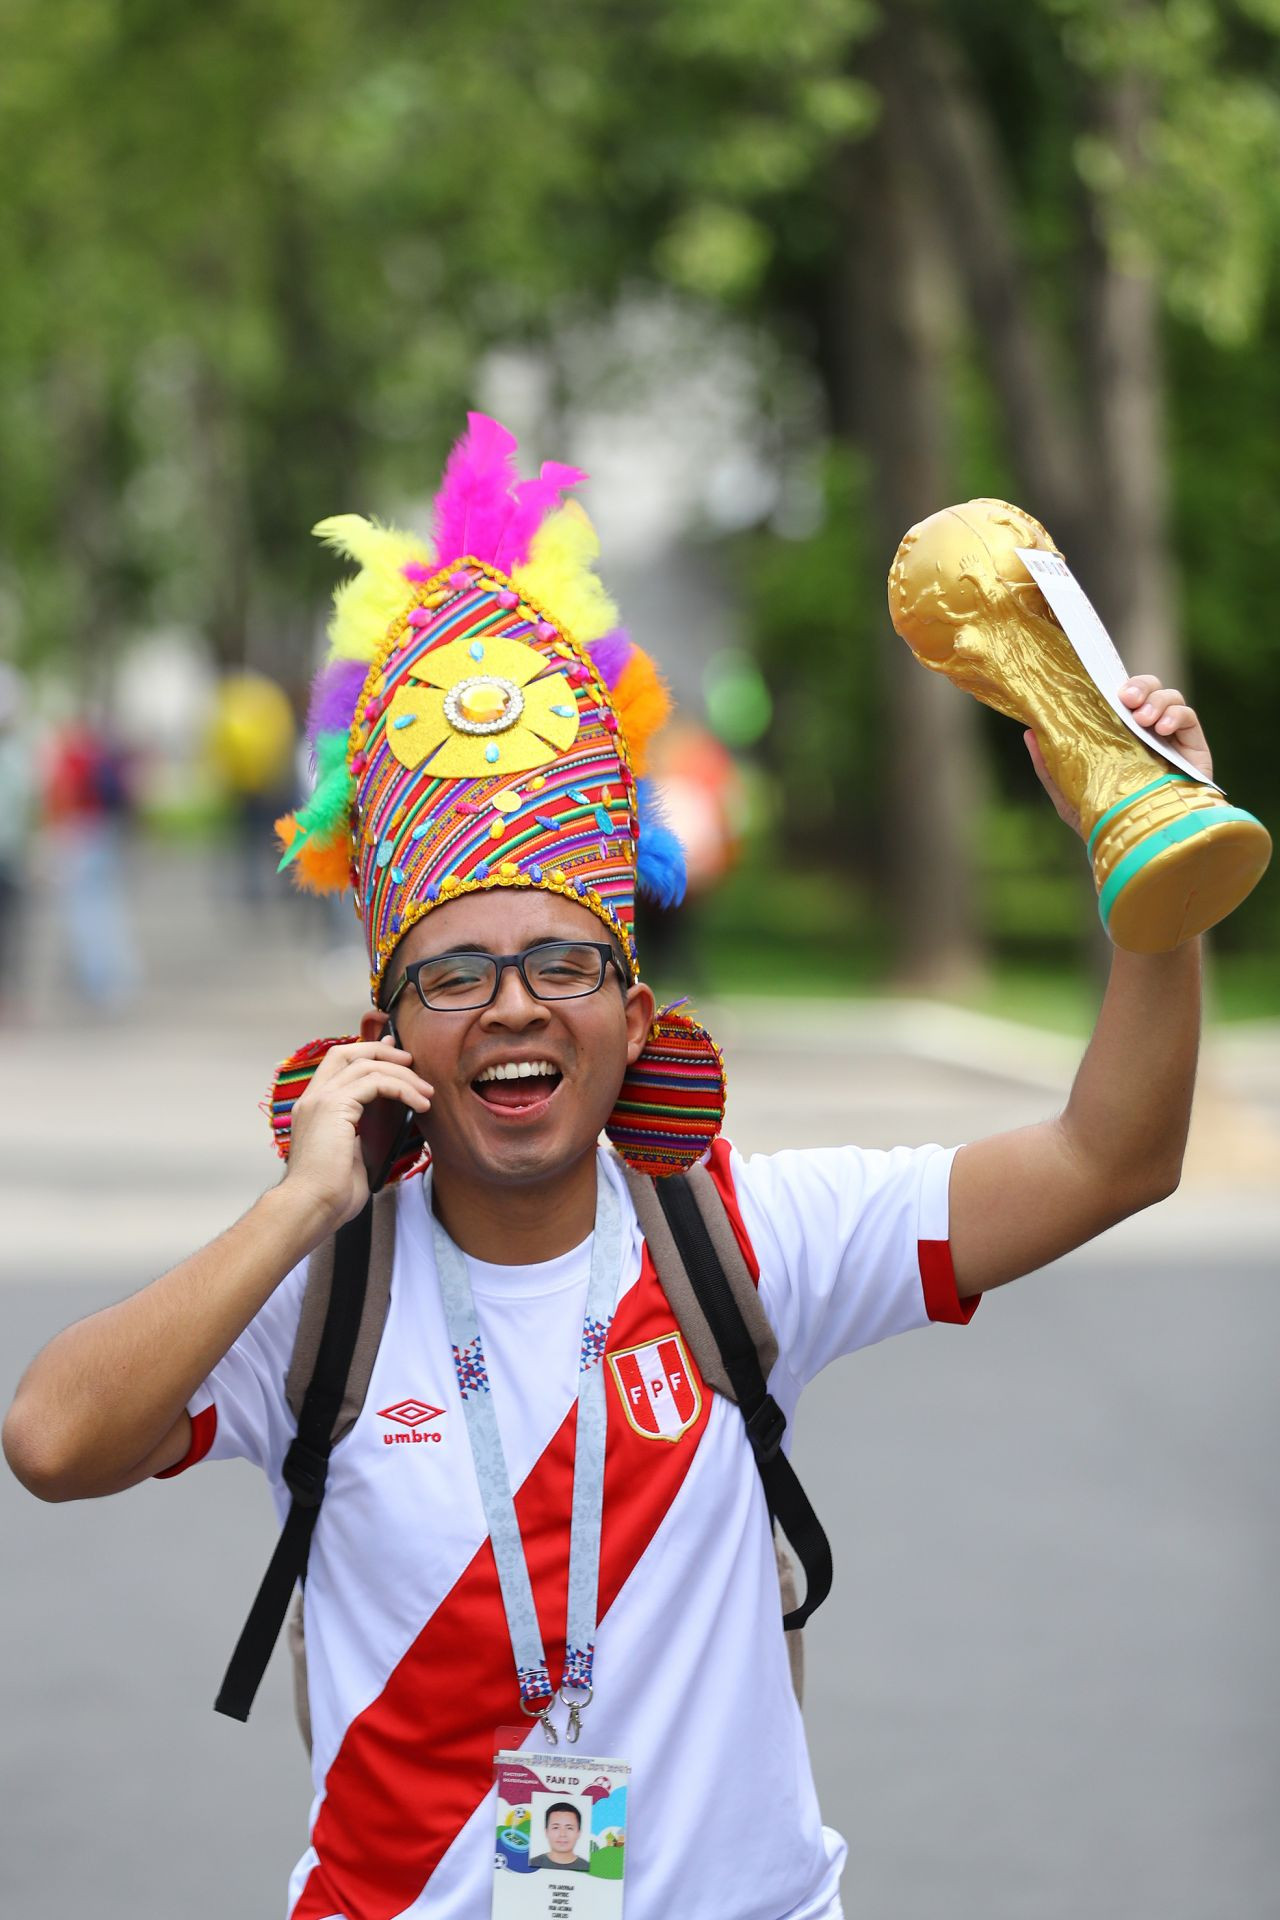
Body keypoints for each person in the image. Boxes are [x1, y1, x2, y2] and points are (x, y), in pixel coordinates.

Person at [3, 415, 1210, 1920]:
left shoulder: (747, 1241)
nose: (512, 1005)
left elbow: (1116, 1156)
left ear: (637, 1020)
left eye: (561, 960)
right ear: (385, 1038)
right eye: (455, 979)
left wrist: (1144, 866)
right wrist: (306, 1201)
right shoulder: (326, 1292)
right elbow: (51, 1440)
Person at [530, 1803, 591, 1874]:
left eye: (569, 1828)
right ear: (546, 1831)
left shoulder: (587, 1867)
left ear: (578, 1832)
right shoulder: (533, 1863)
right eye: (556, 1827)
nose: (562, 1834)